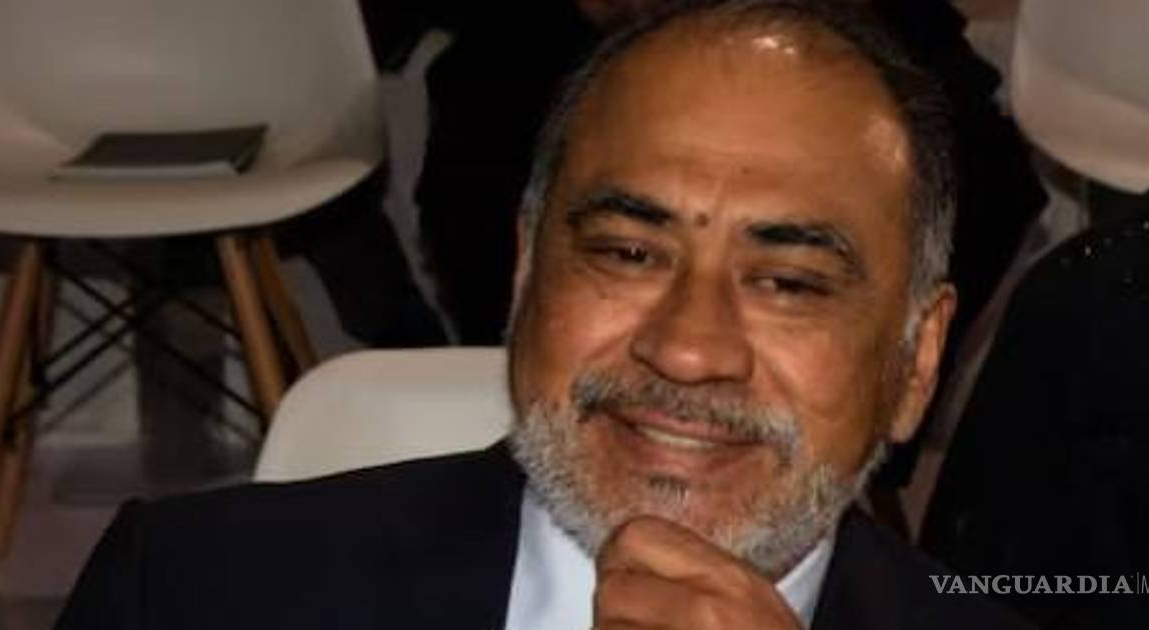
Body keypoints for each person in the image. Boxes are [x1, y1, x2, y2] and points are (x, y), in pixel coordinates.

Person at [56, 2, 1029, 628]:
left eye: (789, 283)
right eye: (627, 253)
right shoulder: (188, 592)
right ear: (526, 276)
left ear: (916, 362)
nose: (688, 349)